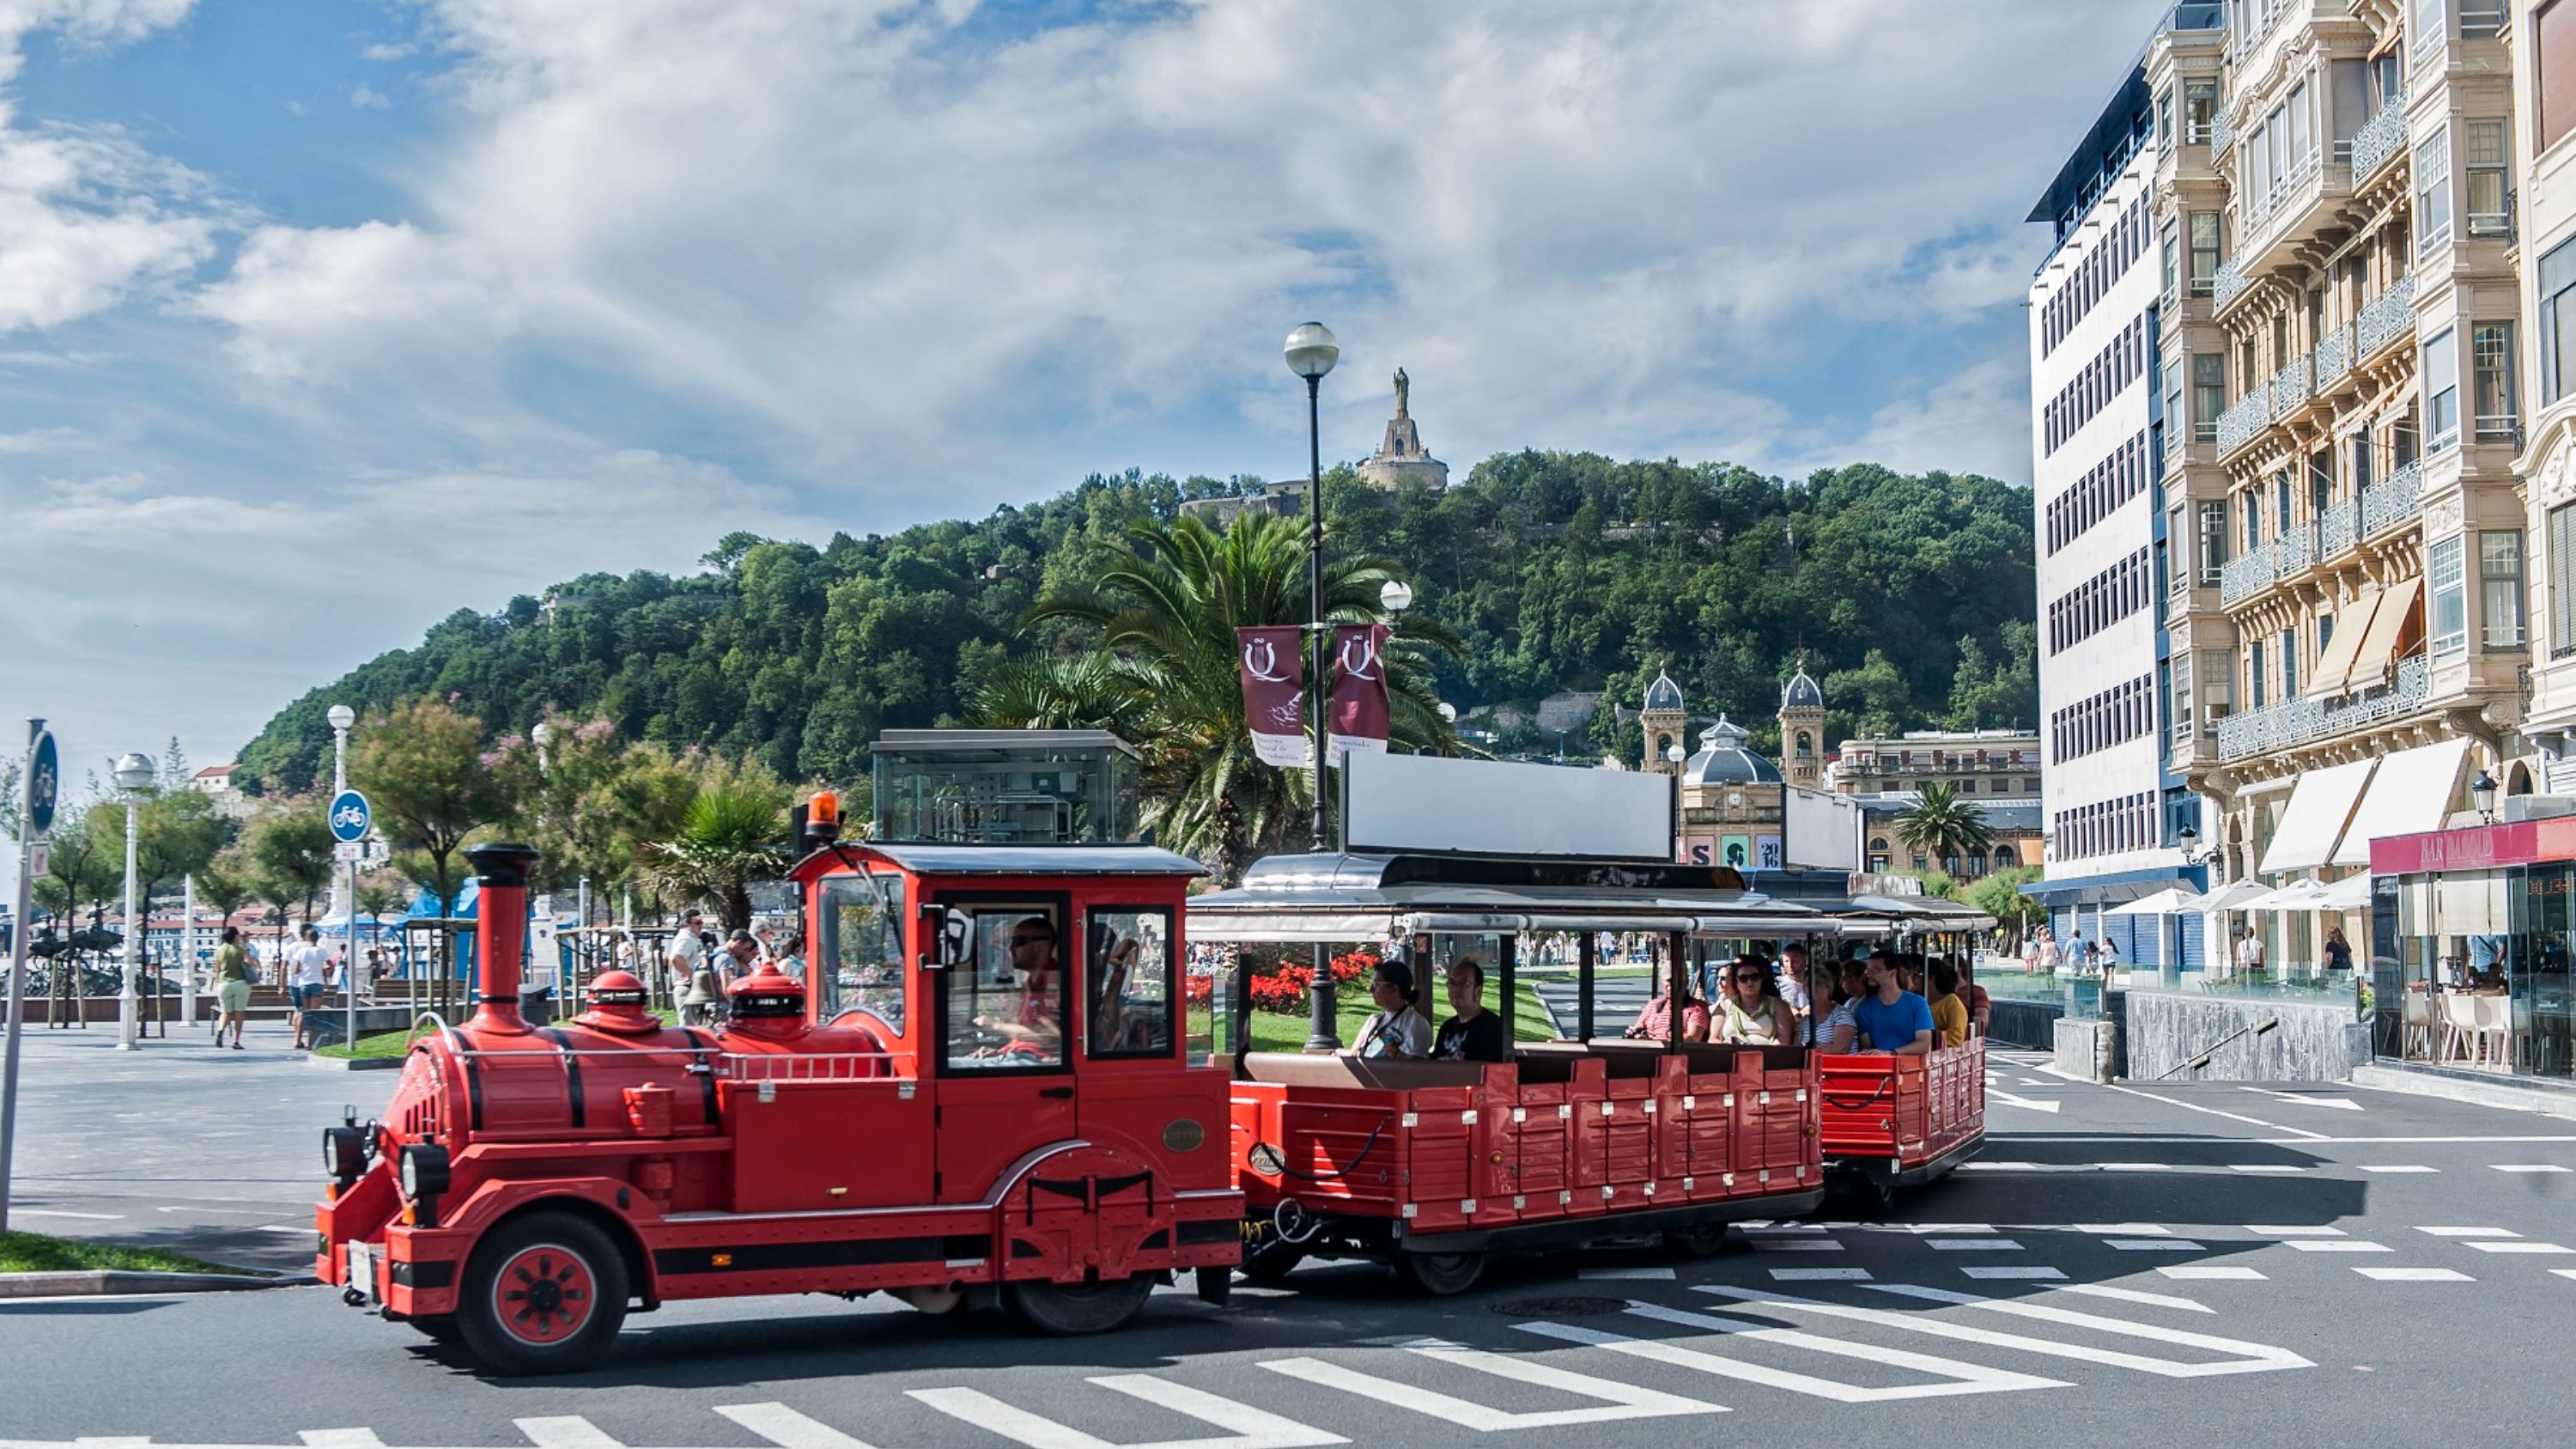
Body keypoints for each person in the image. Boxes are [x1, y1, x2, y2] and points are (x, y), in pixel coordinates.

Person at [1852, 950, 1935, 1056]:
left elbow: (1924, 1044)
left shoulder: (1918, 1003)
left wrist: (1891, 1053)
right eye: (1868, 970)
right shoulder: (1864, 1007)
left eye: (1876, 970)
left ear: (1893, 973)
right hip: (1880, 1065)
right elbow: (1867, 1046)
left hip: (1912, 1066)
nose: (1869, 974)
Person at [1432, 956, 1509, 1062]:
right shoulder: (1447, 1028)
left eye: (1464, 983)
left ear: (1478, 991)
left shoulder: (1494, 1028)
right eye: (1452, 983)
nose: (1455, 989)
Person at [1351, 959, 1431, 1059]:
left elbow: (1412, 1069)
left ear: (1394, 988)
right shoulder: (1373, 1021)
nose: (1371, 989)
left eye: (1376, 984)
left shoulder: (1415, 1024)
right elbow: (1353, 1056)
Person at [1715, 954, 1796, 1044]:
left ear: (1762, 979)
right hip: (1731, 1056)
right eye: (1743, 978)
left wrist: (1764, 1055)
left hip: (1768, 1056)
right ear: (1736, 982)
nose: (1749, 982)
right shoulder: (1724, 1006)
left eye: (1754, 977)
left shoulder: (1778, 1005)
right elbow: (1713, 1039)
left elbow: (1784, 1038)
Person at [1624, 971, 1710, 1044]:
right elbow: (1638, 1028)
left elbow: (1693, 1039)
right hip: (1647, 1053)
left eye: (1675, 981)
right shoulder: (1653, 1005)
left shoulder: (1697, 1008)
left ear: (1686, 982)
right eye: (1668, 981)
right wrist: (1635, 1034)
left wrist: (1652, 1042)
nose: (1671, 986)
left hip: (1678, 1056)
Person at [288, 924, 334, 1050]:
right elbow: (330, 965)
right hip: (317, 983)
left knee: (304, 1013)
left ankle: (297, 1039)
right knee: (315, 1014)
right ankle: (310, 1043)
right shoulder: (321, 951)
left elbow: (295, 970)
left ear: (306, 938)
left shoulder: (301, 952)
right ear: (317, 938)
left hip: (303, 984)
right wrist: (326, 972)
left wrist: (303, 970)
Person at [211, 926, 252, 1050]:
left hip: (224, 984)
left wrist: (218, 982)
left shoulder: (219, 951)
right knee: (239, 1013)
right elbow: (249, 962)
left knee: (225, 1012)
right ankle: (235, 1041)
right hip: (240, 983)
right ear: (235, 936)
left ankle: (220, 1031)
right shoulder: (241, 949)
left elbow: (217, 969)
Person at [1813, 961, 1865, 1052]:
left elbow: (1842, 1048)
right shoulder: (1850, 1002)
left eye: (1845, 978)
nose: (1841, 983)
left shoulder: (1846, 1012)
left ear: (1857, 979)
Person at [1927, 958, 1970, 1048]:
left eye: (1918, 975)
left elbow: (1955, 1037)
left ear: (1932, 979)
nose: (1913, 979)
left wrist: (1928, 1035)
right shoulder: (1915, 1000)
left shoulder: (1952, 1003)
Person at [1956, 955, 1993, 1038]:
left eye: (1947, 968)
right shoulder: (1937, 993)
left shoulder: (1977, 991)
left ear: (1959, 970)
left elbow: (1982, 1020)